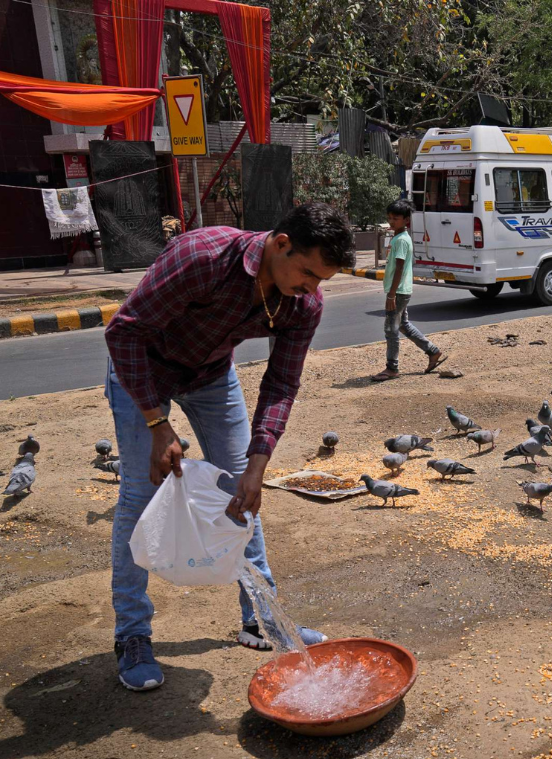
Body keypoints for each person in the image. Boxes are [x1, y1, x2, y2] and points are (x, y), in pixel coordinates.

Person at [103, 201, 355, 691]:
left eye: (321, 280)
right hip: (142, 372)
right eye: (307, 273)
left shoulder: (303, 302)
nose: (311, 289)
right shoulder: (203, 257)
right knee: (139, 495)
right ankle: (132, 635)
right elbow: (124, 332)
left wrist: (256, 466)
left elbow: (282, 383)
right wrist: (158, 423)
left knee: (245, 496)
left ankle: (262, 619)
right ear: (281, 243)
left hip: (211, 376)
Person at [372, 199, 447, 382]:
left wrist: (391, 294)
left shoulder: (402, 241)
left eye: (395, 218)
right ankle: (433, 351)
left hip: (398, 292)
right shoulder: (399, 238)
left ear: (406, 220)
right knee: (403, 325)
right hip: (400, 290)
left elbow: (399, 268)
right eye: (389, 217)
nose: (391, 221)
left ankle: (392, 368)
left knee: (391, 328)